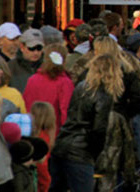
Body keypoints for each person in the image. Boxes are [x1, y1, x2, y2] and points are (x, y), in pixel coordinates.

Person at [50, 53, 121, 192]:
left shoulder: (81, 87)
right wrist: (95, 153)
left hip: (62, 143)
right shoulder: (104, 95)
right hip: (80, 151)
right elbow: (99, 130)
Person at [23, 44, 74, 130]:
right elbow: (66, 112)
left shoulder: (32, 79)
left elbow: (26, 106)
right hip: (53, 132)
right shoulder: (65, 82)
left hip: (33, 131)